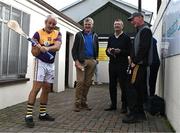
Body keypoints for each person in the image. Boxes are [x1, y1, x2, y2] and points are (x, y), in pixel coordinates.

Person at [25, 14, 61, 128]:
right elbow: (34, 53)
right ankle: (28, 115)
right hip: (40, 63)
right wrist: (38, 48)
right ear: (46, 22)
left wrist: (47, 48)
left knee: (46, 89)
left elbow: (58, 46)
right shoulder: (37, 34)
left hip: (51, 64)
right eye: (49, 23)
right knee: (36, 88)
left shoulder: (57, 33)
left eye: (54, 24)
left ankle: (42, 113)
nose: (51, 25)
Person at [122, 12, 153, 123]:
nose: (131, 22)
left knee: (131, 87)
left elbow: (144, 48)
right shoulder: (141, 30)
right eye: (130, 20)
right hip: (138, 64)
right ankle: (140, 114)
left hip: (139, 65)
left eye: (133, 19)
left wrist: (134, 61)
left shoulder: (145, 30)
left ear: (140, 18)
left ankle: (134, 114)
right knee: (138, 89)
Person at [71, 17, 99, 112]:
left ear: (92, 25)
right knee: (80, 82)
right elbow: (74, 50)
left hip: (92, 61)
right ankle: (77, 103)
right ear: (84, 25)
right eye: (86, 24)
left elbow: (97, 48)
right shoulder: (79, 35)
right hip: (81, 62)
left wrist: (96, 60)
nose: (87, 26)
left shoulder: (95, 35)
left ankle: (84, 102)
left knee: (87, 83)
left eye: (89, 24)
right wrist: (76, 61)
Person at [104, 19, 131, 113]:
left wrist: (120, 51)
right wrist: (108, 51)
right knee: (112, 85)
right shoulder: (111, 37)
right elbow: (107, 50)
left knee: (123, 86)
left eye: (118, 24)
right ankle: (113, 104)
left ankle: (124, 105)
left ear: (122, 26)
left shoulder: (126, 38)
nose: (117, 26)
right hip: (112, 64)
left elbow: (130, 51)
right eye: (115, 24)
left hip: (122, 65)